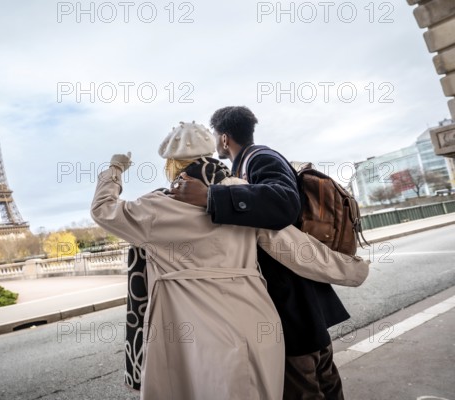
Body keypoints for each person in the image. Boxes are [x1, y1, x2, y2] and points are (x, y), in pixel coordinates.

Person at [91, 122, 369, 399]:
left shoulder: (154, 208)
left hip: (194, 334)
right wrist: (354, 271)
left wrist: (114, 170)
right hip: (257, 322)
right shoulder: (240, 194)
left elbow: (103, 210)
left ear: (172, 164)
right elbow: (296, 249)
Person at [170, 107, 353, 399]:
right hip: (298, 296)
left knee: (304, 384)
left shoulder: (260, 157)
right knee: (323, 378)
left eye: (215, 136)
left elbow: (284, 203)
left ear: (225, 139)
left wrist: (209, 196)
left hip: (292, 298)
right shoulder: (246, 164)